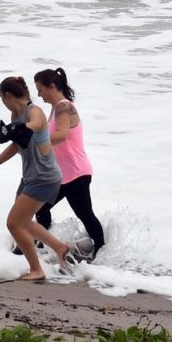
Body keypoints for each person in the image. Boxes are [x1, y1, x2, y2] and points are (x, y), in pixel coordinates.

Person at [0, 75, 72, 281]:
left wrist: (20, 128)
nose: (3, 103)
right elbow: (16, 145)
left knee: (14, 224)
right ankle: (60, 247)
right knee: (24, 221)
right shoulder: (16, 115)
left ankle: (37, 270)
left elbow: (37, 123)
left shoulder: (34, 111)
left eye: (1, 99)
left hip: (44, 178)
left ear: (7, 95)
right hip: (31, 177)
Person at [33, 67, 105, 259]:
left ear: (52, 86)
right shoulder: (54, 109)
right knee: (40, 208)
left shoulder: (64, 107)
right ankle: (41, 246)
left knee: (86, 215)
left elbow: (62, 135)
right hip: (63, 175)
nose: (39, 94)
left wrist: (36, 140)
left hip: (77, 174)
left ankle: (101, 253)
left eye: (40, 90)